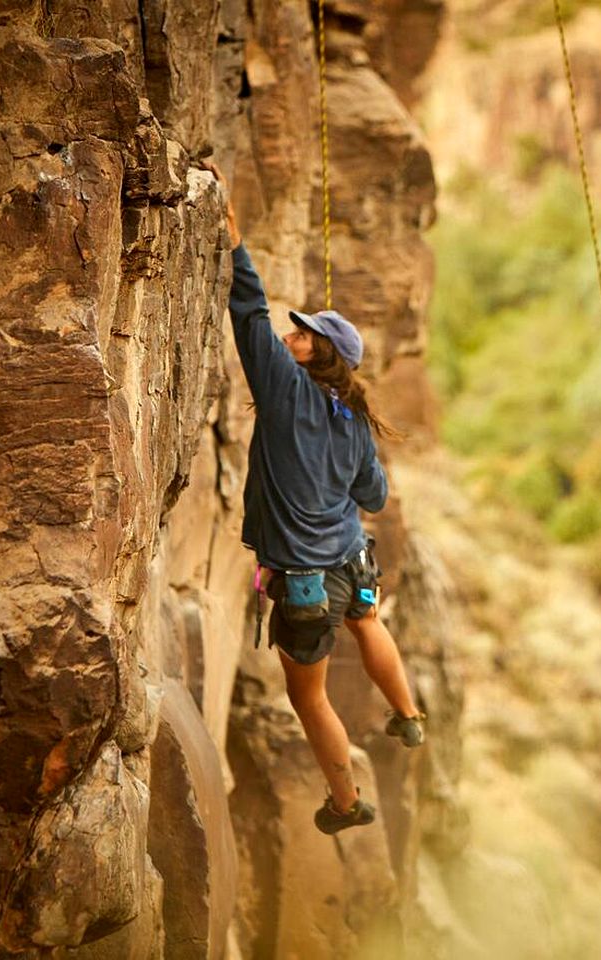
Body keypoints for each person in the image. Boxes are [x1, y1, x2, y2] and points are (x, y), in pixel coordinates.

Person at [211, 164, 425, 835]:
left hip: (306, 576)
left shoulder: (284, 389)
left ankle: (344, 803)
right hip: (349, 559)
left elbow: (246, 312)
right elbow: (373, 492)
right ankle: (409, 715)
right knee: (367, 622)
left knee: (310, 700)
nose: (289, 334)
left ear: (317, 351)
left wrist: (235, 243)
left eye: (300, 332)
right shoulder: (353, 417)